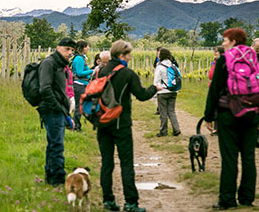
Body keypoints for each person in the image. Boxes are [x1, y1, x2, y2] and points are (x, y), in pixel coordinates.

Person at [204, 28, 259, 209]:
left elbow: (214, 90)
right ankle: (247, 198)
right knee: (248, 157)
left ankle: (227, 200)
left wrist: (209, 116)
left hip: (228, 114)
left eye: (225, 40)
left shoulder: (224, 60)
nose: (223, 43)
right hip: (251, 114)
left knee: (229, 158)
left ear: (232, 41)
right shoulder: (253, 58)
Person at [97, 40, 162, 212]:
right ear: (121, 55)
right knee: (126, 163)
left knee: (107, 163)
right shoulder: (127, 73)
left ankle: (108, 200)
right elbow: (141, 95)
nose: (131, 57)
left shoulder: (101, 71)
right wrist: (154, 88)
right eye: (129, 54)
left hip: (102, 123)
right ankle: (131, 203)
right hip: (121, 124)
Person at [38, 37, 77, 186]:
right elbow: (45, 88)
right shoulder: (49, 63)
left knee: (53, 144)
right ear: (58, 47)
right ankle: (58, 180)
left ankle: (50, 176)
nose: (69, 53)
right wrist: (59, 108)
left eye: (72, 50)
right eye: (67, 49)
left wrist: (66, 114)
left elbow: (61, 91)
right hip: (51, 110)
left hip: (60, 111)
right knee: (57, 145)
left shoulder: (61, 65)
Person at [153, 48, 181, 137]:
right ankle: (176, 129)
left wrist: (154, 92)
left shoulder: (160, 67)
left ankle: (163, 131)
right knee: (171, 111)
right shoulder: (173, 65)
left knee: (163, 112)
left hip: (162, 91)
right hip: (173, 91)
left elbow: (156, 81)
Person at [72, 40, 94, 132]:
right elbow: (80, 73)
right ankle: (76, 126)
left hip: (82, 84)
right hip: (80, 85)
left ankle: (76, 125)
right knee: (79, 106)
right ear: (82, 48)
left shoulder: (79, 58)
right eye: (86, 46)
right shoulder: (80, 59)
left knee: (80, 106)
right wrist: (93, 71)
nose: (87, 48)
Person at [208, 46, 225, 135]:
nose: (214, 53)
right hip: (213, 86)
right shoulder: (214, 62)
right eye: (214, 51)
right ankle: (216, 128)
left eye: (216, 52)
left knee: (217, 109)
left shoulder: (221, 63)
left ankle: (218, 128)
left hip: (218, 88)